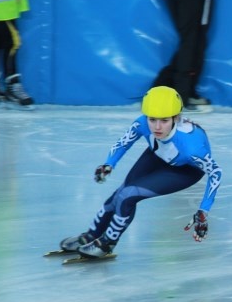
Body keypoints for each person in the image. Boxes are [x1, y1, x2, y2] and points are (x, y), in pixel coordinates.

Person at [59, 86, 222, 258]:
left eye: (164, 120)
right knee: (119, 194)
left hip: (186, 169)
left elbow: (216, 173)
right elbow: (123, 142)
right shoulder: (143, 123)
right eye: (152, 119)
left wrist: (203, 211)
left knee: (128, 195)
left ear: (176, 117)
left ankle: (107, 243)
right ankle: (91, 234)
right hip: (159, 154)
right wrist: (109, 164)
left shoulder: (191, 148)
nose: (157, 127)